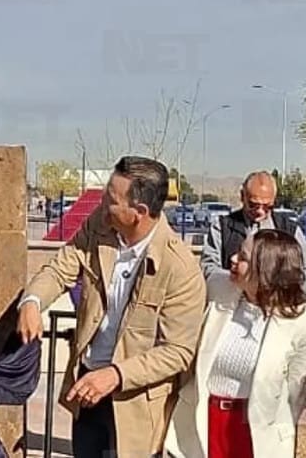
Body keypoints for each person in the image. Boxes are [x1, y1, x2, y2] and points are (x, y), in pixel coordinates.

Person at [17, 156, 207, 457]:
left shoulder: (181, 270)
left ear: (139, 212)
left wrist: (115, 375)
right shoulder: (99, 225)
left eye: (111, 200)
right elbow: (59, 269)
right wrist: (31, 302)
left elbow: (178, 351)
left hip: (135, 408)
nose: (102, 204)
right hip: (87, 392)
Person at [165, 229, 306, 458]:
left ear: (267, 270)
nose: (233, 259)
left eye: (244, 257)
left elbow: (296, 393)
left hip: (258, 434)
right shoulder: (217, 288)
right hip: (201, 423)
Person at [200, 170, 306, 294]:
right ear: (242, 196)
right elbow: (208, 270)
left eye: (267, 207)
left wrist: (273, 283)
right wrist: (239, 279)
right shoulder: (222, 227)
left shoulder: (290, 230)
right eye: (253, 205)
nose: (260, 211)